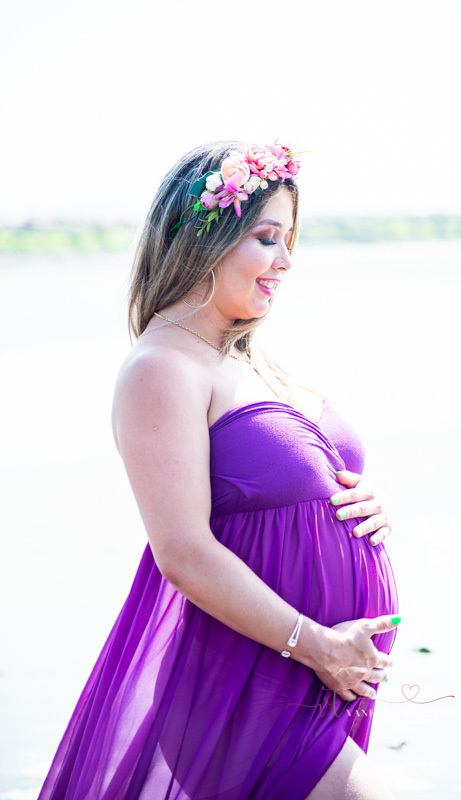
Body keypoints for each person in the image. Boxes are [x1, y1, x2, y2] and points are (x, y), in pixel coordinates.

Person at [38, 141, 400, 800]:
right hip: (241, 693)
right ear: (202, 239)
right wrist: (318, 645)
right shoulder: (162, 369)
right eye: (267, 238)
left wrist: (356, 503)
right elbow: (183, 554)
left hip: (306, 684)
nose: (286, 261)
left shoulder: (243, 359)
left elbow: (289, 483)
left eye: (289, 240)